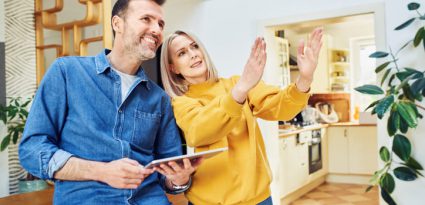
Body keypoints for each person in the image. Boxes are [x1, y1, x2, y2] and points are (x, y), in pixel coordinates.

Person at [19, 0, 201, 204]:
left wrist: (179, 179)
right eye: (146, 19)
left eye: (160, 24)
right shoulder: (66, 72)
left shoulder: (159, 99)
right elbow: (32, 151)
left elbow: (168, 174)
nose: (156, 30)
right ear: (117, 24)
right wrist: (102, 171)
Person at [159, 29, 323, 205]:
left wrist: (305, 79)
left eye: (194, 47)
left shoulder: (236, 84)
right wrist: (240, 90)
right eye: (182, 53)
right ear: (173, 67)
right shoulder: (182, 102)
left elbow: (280, 107)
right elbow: (200, 130)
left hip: (258, 200)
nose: (193, 55)